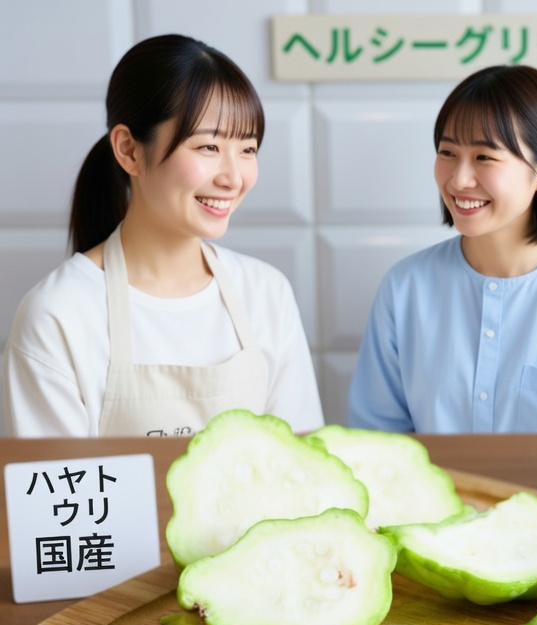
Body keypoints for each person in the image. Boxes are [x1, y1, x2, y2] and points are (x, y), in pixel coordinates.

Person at [1, 34, 323, 438]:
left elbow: (303, 471)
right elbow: (57, 497)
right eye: (208, 146)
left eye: (248, 149)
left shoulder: (266, 293)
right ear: (130, 150)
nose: (233, 177)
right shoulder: (58, 314)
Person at [347, 64, 537, 434]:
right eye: (448, 152)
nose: (459, 179)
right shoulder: (405, 287)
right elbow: (377, 442)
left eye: (484, 157)